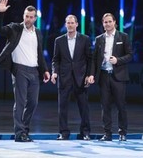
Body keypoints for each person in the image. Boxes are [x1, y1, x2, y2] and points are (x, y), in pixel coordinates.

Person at [0, 0, 50, 142]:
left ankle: (24, 130)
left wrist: (45, 70)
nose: (29, 19)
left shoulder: (38, 33)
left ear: (35, 18)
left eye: (31, 17)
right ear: (23, 16)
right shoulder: (15, 28)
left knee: (33, 102)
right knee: (20, 102)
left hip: (35, 71)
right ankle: (19, 134)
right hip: (19, 70)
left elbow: (39, 53)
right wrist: (0, 13)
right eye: (26, 16)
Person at [87, 13, 133, 141]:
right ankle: (107, 133)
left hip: (118, 76)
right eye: (105, 22)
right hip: (103, 75)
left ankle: (122, 133)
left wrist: (118, 60)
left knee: (120, 105)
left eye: (109, 22)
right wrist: (91, 74)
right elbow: (94, 59)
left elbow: (130, 55)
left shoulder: (123, 37)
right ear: (102, 24)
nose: (107, 24)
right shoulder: (99, 39)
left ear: (114, 22)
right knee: (105, 105)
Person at [51, 14, 91, 140]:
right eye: (68, 23)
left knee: (84, 107)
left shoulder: (85, 39)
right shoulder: (59, 40)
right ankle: (63, 132)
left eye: (72, 22)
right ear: (65, 24)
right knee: (62, 107)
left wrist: (89, 75)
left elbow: (89, 59)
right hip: (64, 78)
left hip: (81, 77)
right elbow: (55, 59)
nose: (70, 25)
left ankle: (85, 132)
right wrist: (54, 72)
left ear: (77, 24)